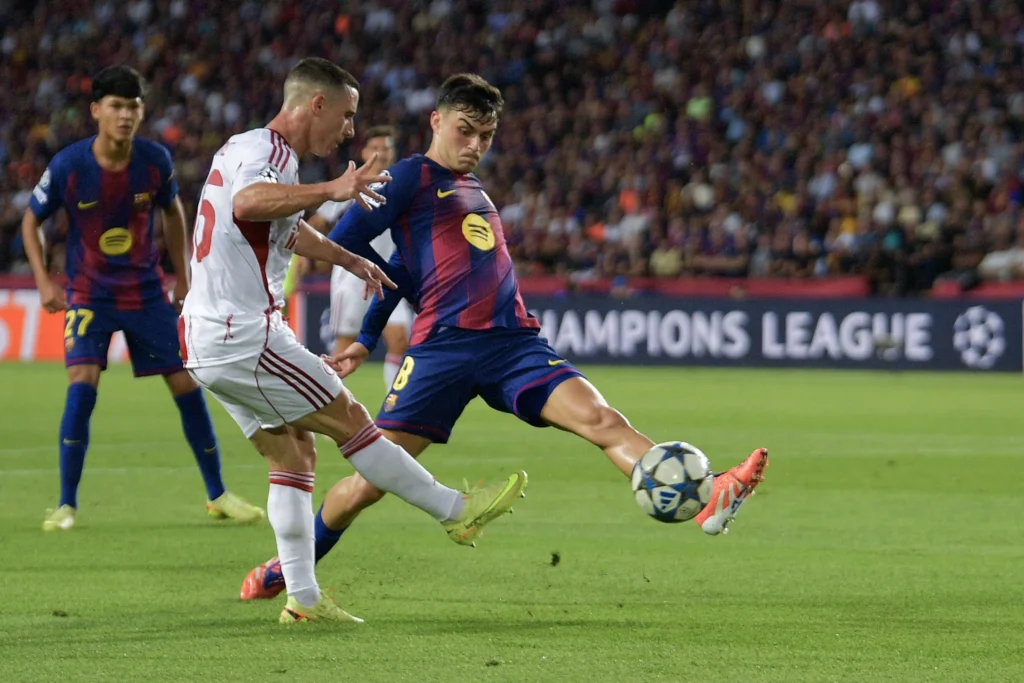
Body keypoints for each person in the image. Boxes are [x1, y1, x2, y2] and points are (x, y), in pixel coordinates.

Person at [239, 73, 769, 601]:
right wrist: (368, 334)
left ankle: (709, 498)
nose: (475, 145)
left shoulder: (473, 190)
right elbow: (349, 242)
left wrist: (372, 331)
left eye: (486, 136)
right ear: (436, 121)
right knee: (369, 483)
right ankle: (288, 568)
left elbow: (403, 266)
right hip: (443, 350)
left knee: (603, 421)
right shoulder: (409, 177)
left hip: (514, 344)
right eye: (465, 130)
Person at [180, 59, 526, 624]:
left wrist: (349, 258)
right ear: (316, 104)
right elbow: (247, 204)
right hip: (242, 333)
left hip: (204, 336)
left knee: (293, 452)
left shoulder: (241, 146)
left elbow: (281, 226)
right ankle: (454, 509)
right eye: (345, 116)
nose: (348, 130)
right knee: (353, 422)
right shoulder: (273, 155)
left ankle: (303, 601)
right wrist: (333, 188)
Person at [20, 65, 264, 532]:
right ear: (96, 110)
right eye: (115, 106)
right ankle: (66, 504)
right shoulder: (69, 166)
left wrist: (184, 276)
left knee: (186, 384)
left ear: (142, 111)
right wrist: (44, 282)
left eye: (133, 106)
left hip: (146, 293)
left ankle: (217, 495)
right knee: (82, 382)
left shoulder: (154, 160)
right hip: (89, 294)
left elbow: (173, 211)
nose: (125, 115)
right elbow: (31, 221)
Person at [306, 125, 413, 389]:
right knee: (345, 345)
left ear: (393, 153)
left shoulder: (401, 186)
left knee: (400, 340)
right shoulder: (352, 183)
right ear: (364, 152)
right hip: (352, 276)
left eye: (386, 148)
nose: (381, 153)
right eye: (375, 148)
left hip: (387, 276)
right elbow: (318, 222)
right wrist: (307, 256)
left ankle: (392, 406)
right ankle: (324, 399)